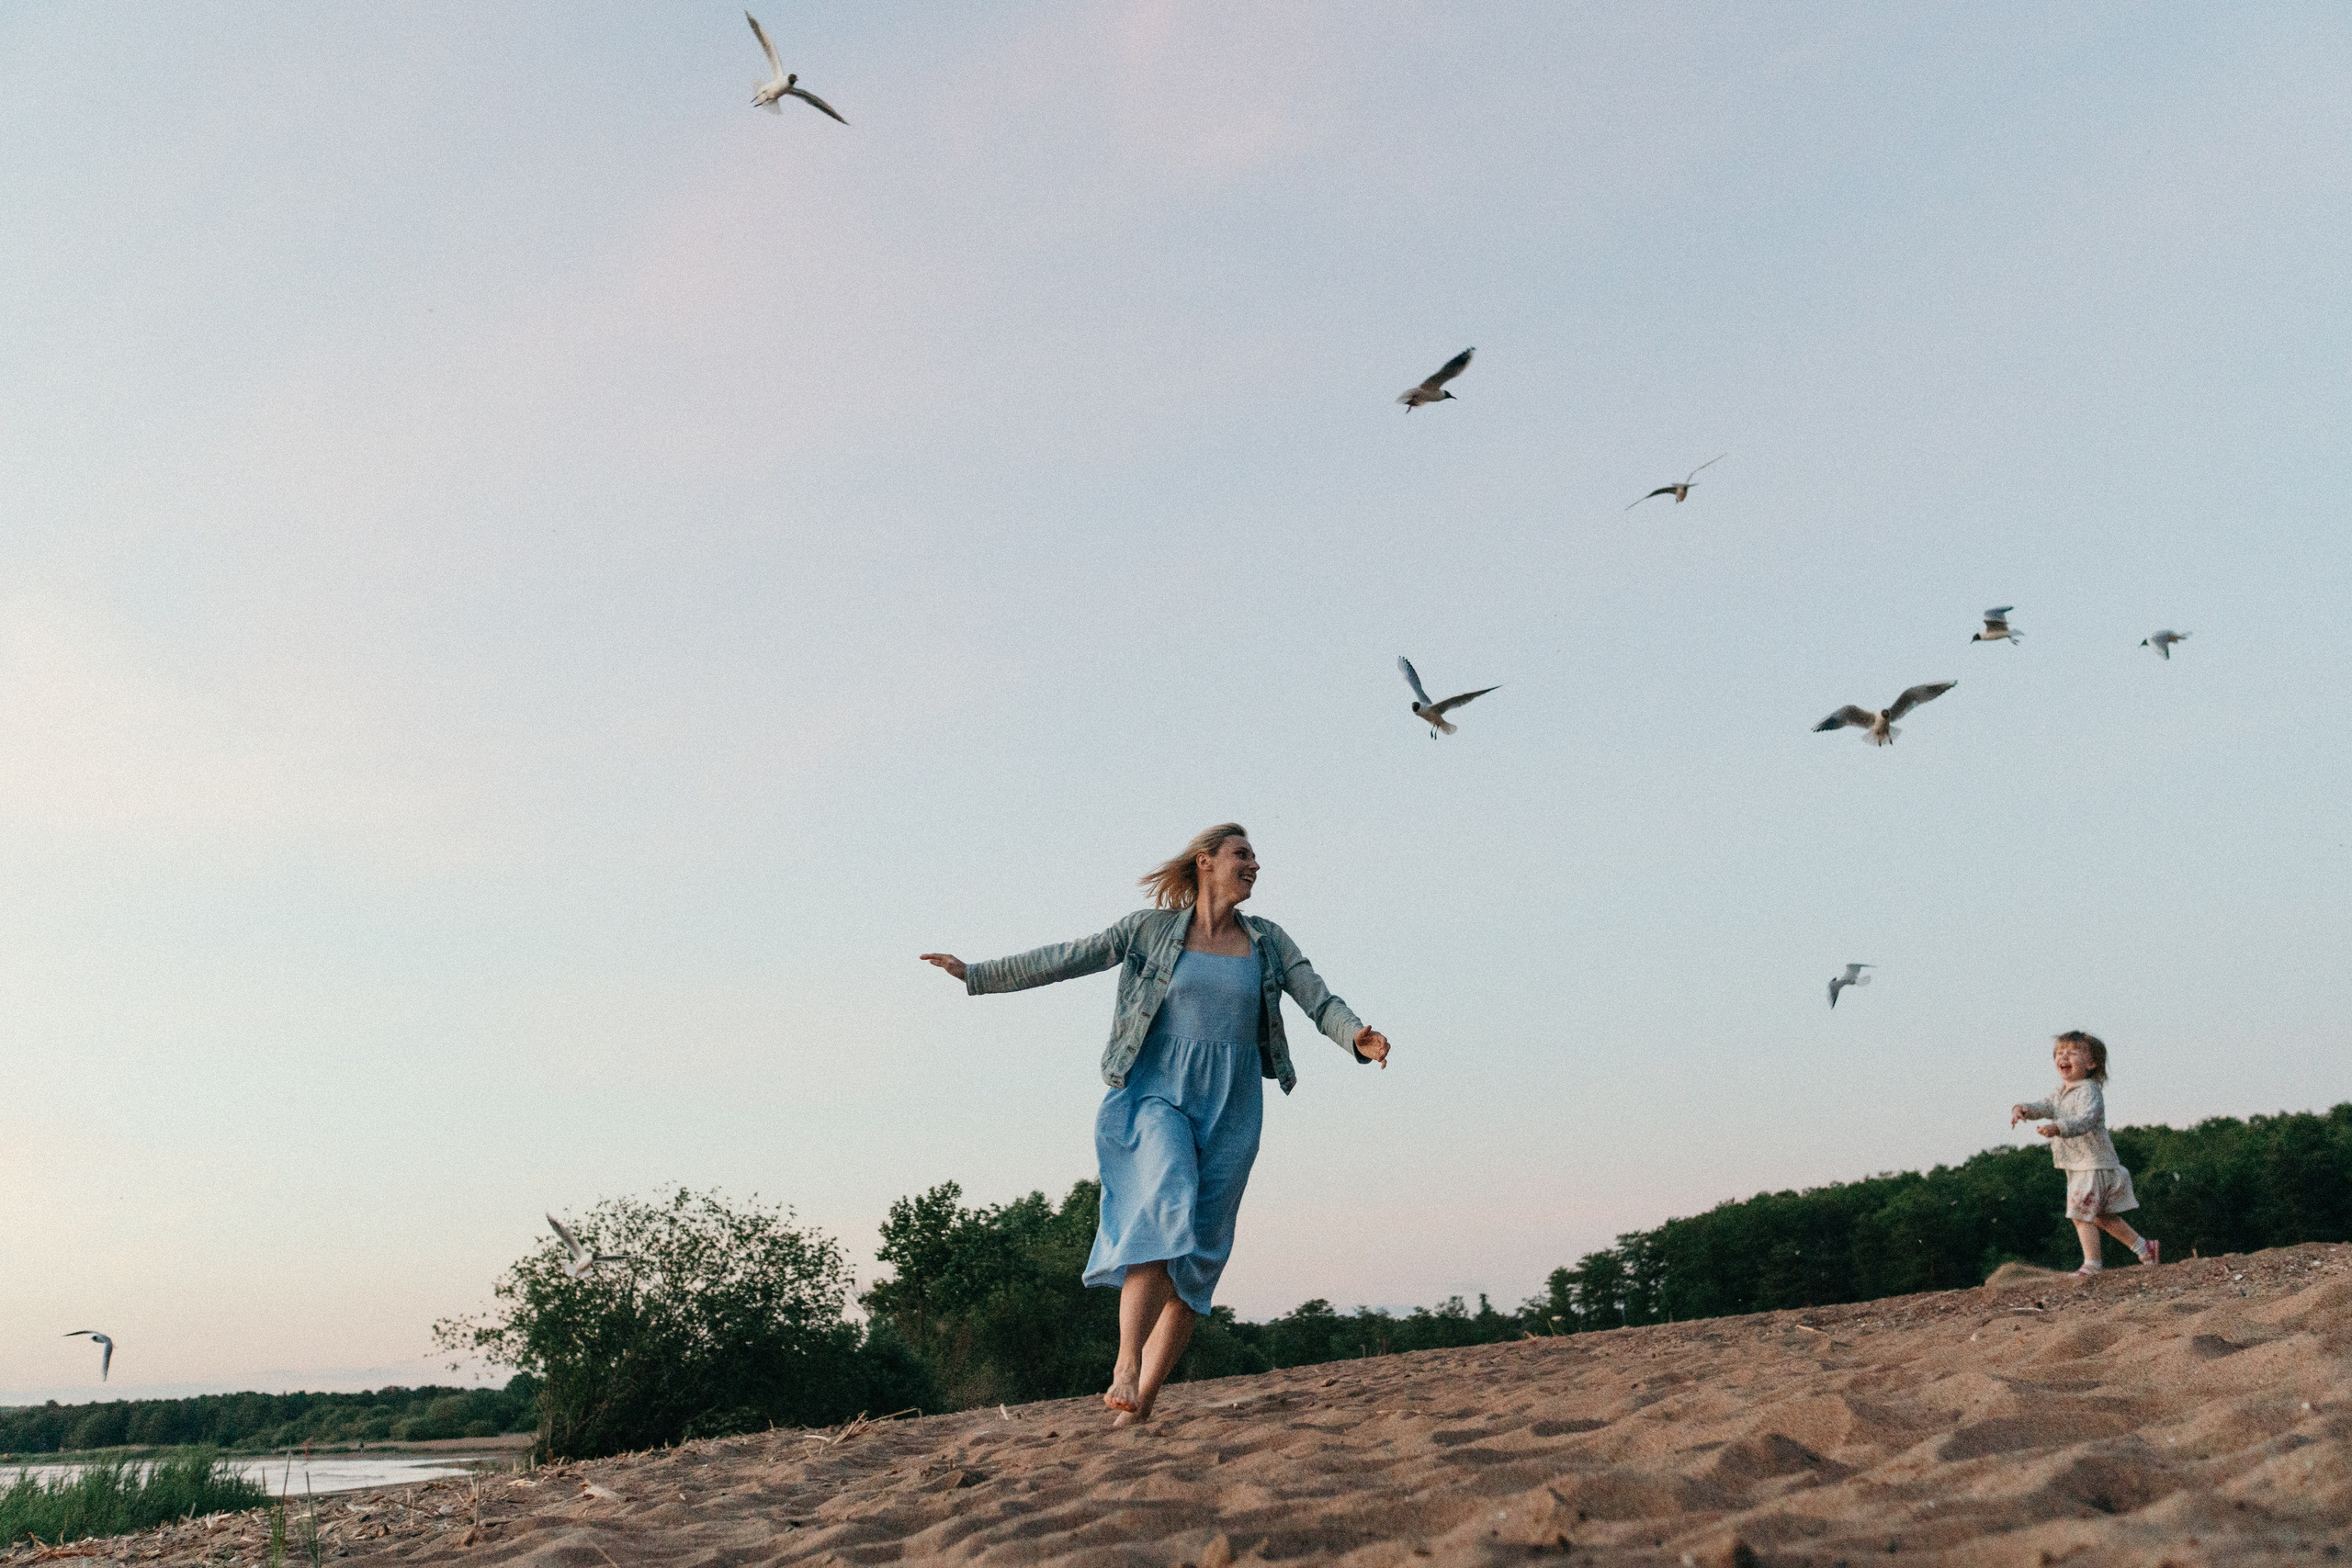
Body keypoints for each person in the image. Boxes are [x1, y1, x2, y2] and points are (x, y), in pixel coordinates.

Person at [921, 823, 1390, 1427]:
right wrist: (977, 973)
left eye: (1253, 856)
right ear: (1206, 862)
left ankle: (1137, 1407)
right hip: (1157, 1093)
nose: (1254, 864)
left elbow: (1318, 999)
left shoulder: (1267, 943)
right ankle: (1124, 1363)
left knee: (1195, 1267)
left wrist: (1355, 1035)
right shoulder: (1149, 931)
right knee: (1161, 1205)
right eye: (1242, 854)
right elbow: (1072, 956)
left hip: (1233, 1108)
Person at [2010, 1031, 2158, 1276]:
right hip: (2080, 1164)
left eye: (2071, 1052)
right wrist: (2023, 1109)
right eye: (2059, 1053)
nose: (2063, 1057)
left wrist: (2058, 1127)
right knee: (2101, 1216)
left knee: (2080, 1213)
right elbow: (2045, 1106)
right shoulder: (2061, 1092)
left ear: (2092, 1063)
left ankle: (2092, 1264)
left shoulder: (2089, 1090)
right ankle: (2145, 1247)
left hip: (2093, 1163)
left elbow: (2087, 1120)